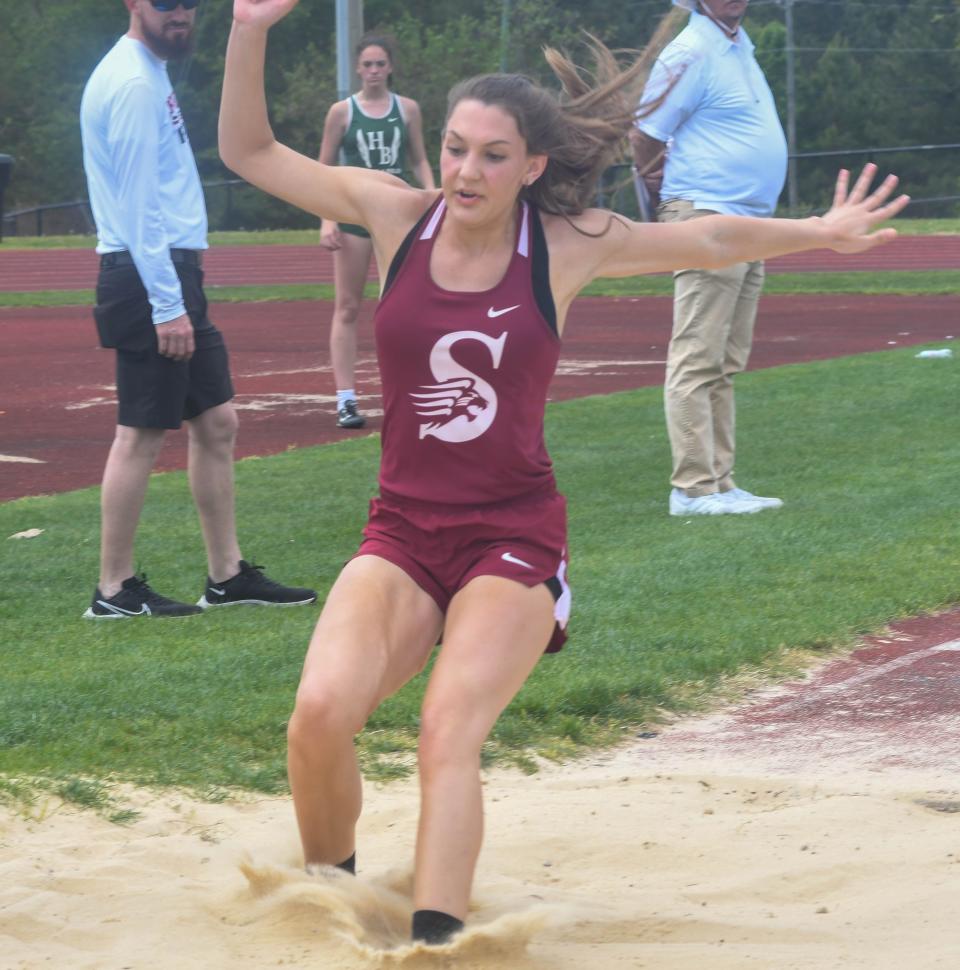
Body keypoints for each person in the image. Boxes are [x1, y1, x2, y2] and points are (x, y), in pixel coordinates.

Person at [219, 0, 906, 945]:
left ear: (533, 167)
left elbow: (707, 242)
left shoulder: (568, 242)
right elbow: (252, 155)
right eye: (456, 148)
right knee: (317, 718)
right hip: (403, 532)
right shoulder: (395, 215)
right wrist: (250, 27)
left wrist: (819, 232)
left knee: (444, 737)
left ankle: (438, 945)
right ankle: (331, 899)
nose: (466, 170)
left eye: (493, 156)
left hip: (512, 538)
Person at [79, 0, 316, 619]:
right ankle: (114, 590)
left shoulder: (150, 69)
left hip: (170, 275)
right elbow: (136, 211)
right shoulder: (132, 82)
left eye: (189, 3)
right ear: (134, 3)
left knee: (217, 423)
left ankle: (227, 575)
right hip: (148, 278)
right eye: (165, 3)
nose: (180, 12)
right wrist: (166, 306)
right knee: (141, 432)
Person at [632, 0, 790, 516]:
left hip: (746, 222)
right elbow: (646, 132)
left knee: (724, 359)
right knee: (699, 353)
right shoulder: (690, 49)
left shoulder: (737, 46)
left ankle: (720, 481)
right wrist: (662, 188)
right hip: (709, 216)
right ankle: (693, 488)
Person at [318, 34, 435, 429]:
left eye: (379, 64)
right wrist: (327, 218)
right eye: (367, 64)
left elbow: (419, 159)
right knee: (348, 306)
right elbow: (323, 170)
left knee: (403, 304)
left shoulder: (407, 109)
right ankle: (346, 399)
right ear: (357, 68)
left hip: (397, 214)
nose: (373, 71)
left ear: (390, 67)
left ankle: (409, 392)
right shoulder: (342, 112)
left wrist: (433, 197)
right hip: (354, 214)